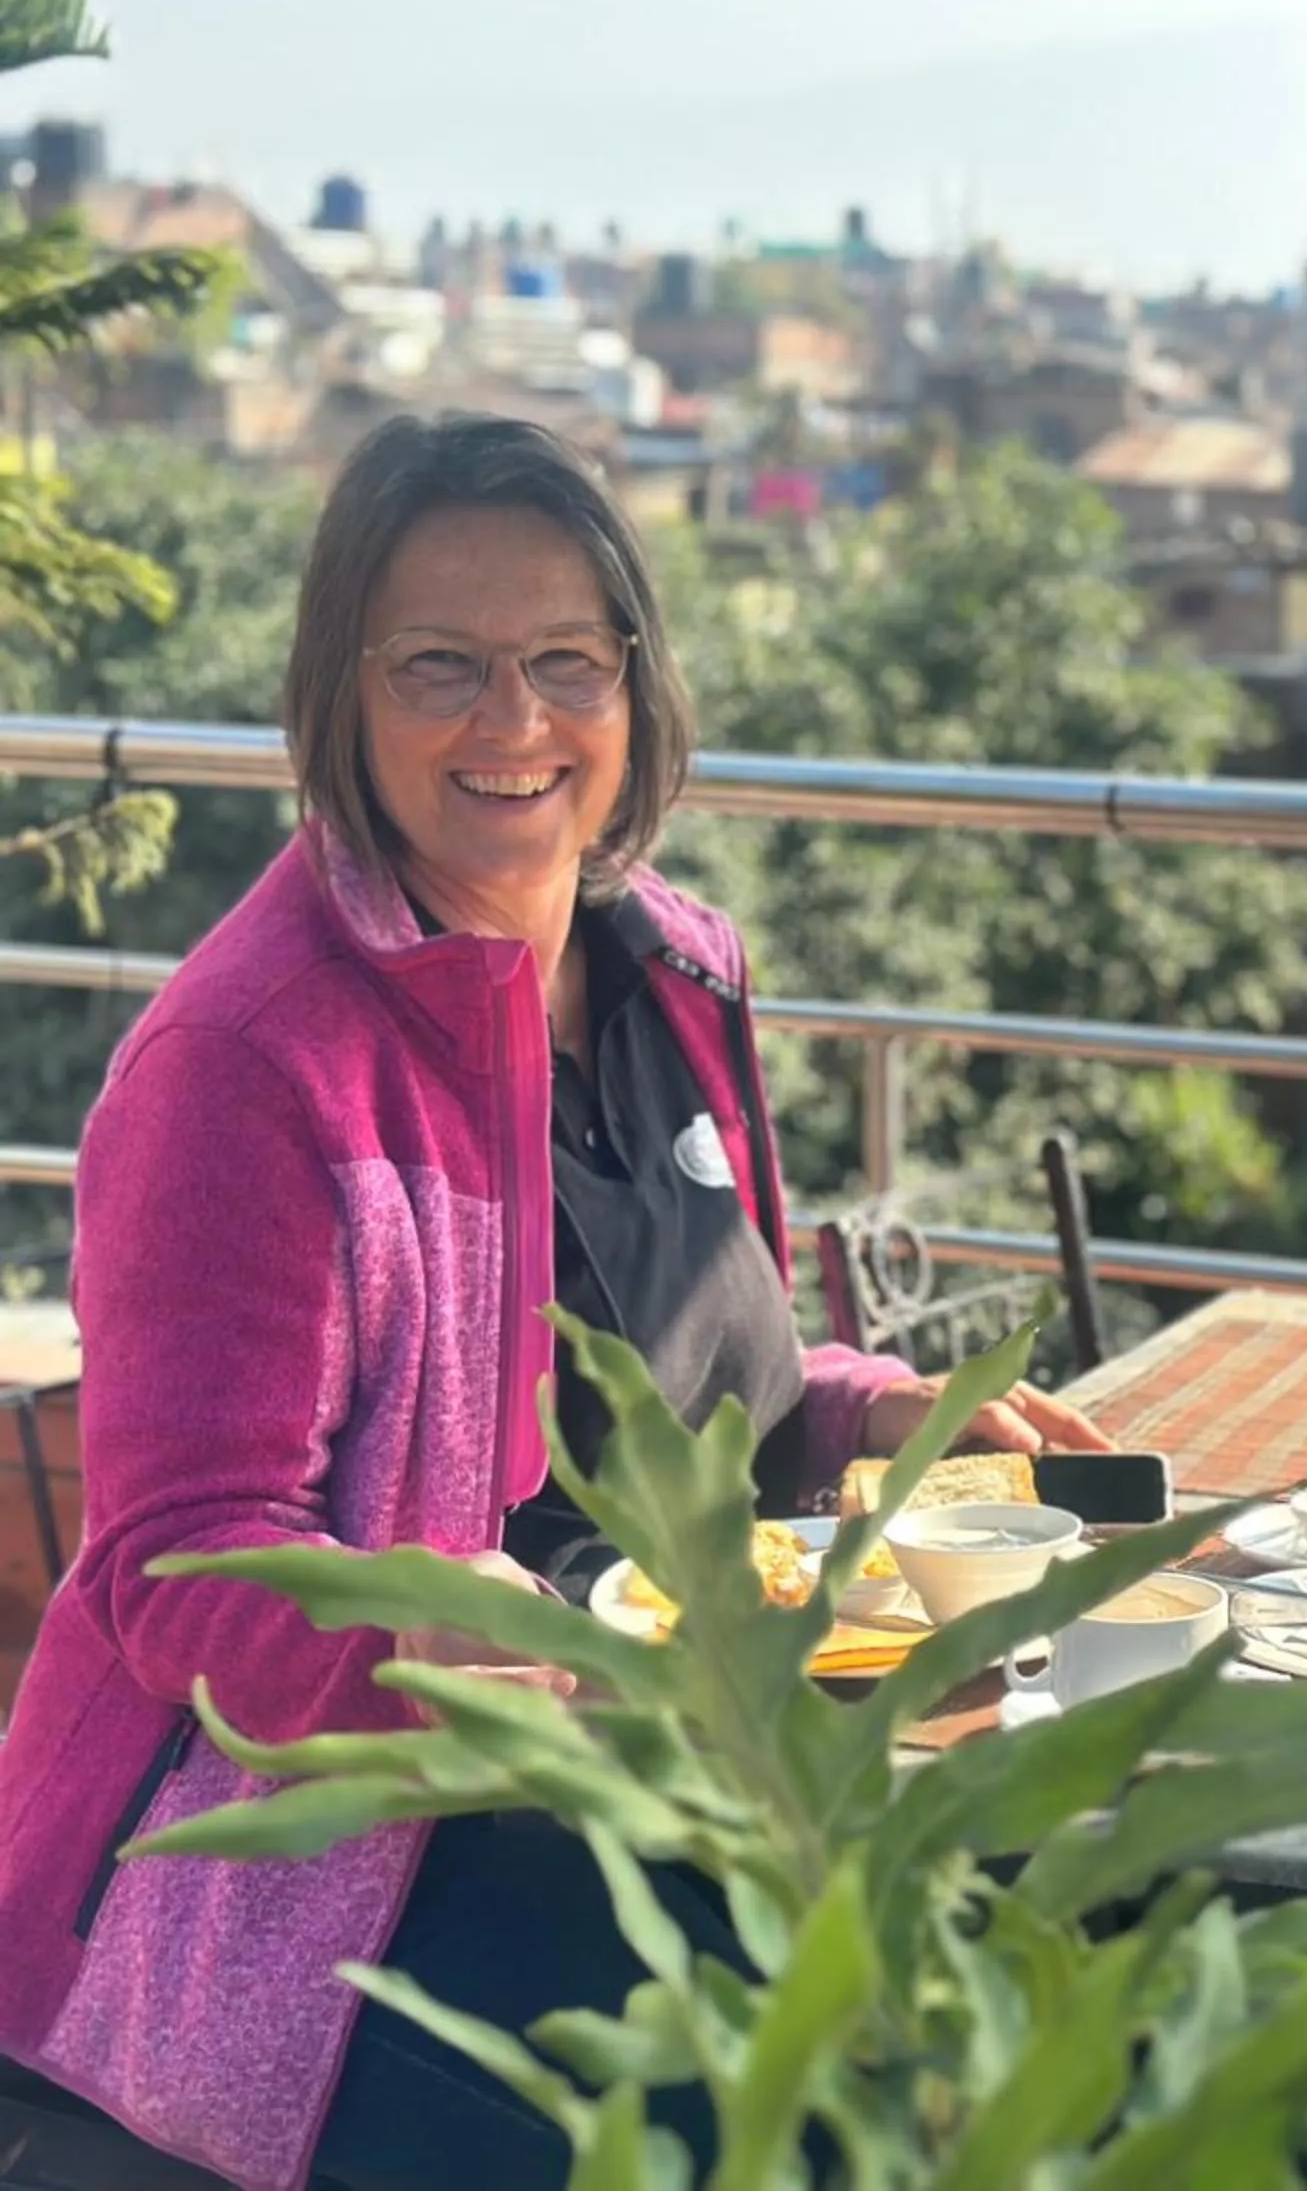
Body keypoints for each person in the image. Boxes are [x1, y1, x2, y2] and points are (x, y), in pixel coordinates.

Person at [0, 413, 1115, 2191]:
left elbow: (699, 1356)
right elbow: (178, 1565)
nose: (510, 721)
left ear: (633, 685)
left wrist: (866, 1409)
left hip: (684, 1771)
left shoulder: (676, 965)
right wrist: (412, 1638)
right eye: (438, 663)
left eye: (561, 663)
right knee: (812, 2135)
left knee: (1050, 1996)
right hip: (331, 1868)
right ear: (341, 696)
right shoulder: (246, 1062)